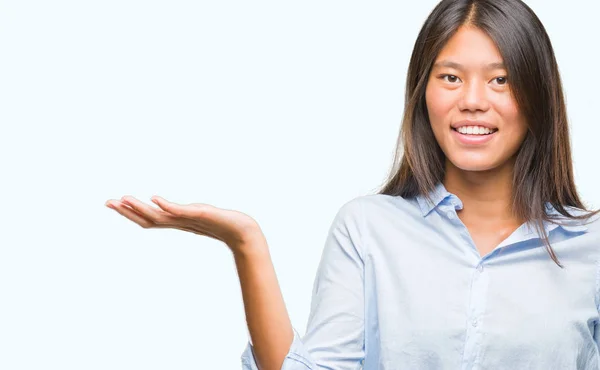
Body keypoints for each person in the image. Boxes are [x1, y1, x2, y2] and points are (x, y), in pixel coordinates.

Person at [105, 0, 600, 368]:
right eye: (450, 78)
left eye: (501, 79)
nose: (472, 100)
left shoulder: (591, 249)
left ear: (538, 95)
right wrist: (246, 243)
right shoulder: (367, 229)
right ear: (422, 92)